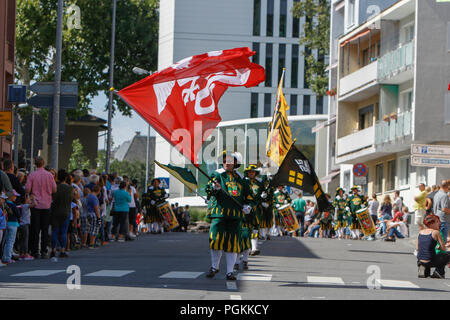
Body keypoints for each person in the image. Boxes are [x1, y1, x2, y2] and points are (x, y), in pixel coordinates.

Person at [205, 151, 254, 281]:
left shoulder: (241, 179)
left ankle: (229, 272)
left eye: (230, 161)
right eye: (225, 161)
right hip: (219, 213)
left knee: (233, 243)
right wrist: (214, 188)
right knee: (215, 239)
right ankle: (214, 267)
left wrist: (248, 206)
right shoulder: (217, 174)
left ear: (235, 163)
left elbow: (249, 196)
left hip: (235, 215)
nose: (227, 163)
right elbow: (208, 188)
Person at [25, 156, 57, 259]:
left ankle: (35, 251)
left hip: (36, 204)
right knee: (45, 228)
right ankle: (44, 250)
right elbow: (54, 190)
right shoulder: (49, 175)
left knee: (35, 228)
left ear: (35, 164)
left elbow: (27, 189)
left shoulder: (32, 175)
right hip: (47, 204)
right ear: (43, 164)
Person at [416, 214, 450, 279]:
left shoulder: (420, 232)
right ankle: (439, 272)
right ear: (431, 223)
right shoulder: (436, 232)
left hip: (420, 259)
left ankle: (423, 269)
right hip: (430, 260)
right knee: (446, 254)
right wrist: (440, 247)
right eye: (437, 222)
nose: (439, 223)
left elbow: (417, 248)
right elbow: (443, 248)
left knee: (427, 258)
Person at [50, 170, 74, 258]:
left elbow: (53, 199)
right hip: (66, 211)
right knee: (64, 232)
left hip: (55, 211)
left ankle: (53, 249)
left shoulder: (56, 187)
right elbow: (72, 199)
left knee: (55, 231)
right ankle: (63, 250)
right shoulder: (70, 188)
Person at [1, 190, 21, 265]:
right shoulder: (13, 205)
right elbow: (18, 214)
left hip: (6, 224)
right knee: (11, 241)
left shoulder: (4, 204)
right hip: (13, 224)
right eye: (15, 196)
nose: (16, 197)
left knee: (5, 241)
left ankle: (4, 257)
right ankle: (8, 258)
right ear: (10, 196)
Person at [18, 194, 36, 260]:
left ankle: (21, 253)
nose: (30, 200)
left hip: (22, 224)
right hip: (25, 225)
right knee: (25, 239)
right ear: (25, 199)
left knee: (22, 239)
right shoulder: (26, 206)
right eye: (28, 198)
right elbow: (35, 204)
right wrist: (33, 199)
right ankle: (25, 254)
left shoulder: (22, 206)